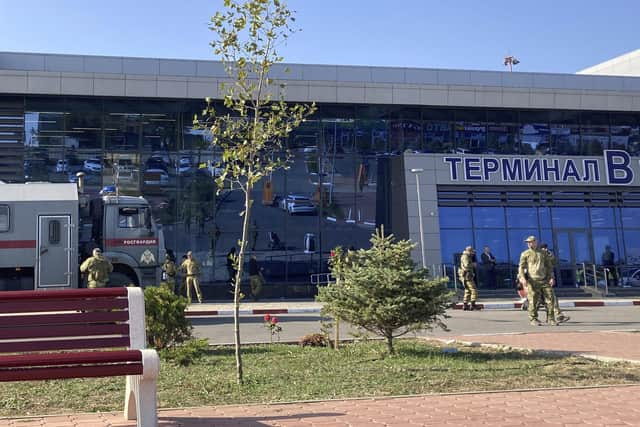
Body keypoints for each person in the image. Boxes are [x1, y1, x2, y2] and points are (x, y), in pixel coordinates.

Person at [518, 236, 557, 326]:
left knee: (550, 299)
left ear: (535, 242)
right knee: (533, 300)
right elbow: (521, 267)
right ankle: (533, 319)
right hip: (532, 281)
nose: (529, 244)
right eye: (528, 242)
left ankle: (551, 318)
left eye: (531, 242)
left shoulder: (543, 253)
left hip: (544, 280)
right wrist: (522, 278)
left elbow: (549, 266)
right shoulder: (525, 254)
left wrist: (551, 277)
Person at [539, 243, 569, 324]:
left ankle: (558, 315)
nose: (545, 249)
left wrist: (550, 255)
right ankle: (536, 317)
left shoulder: (548, 256)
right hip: (537, 282)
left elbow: (552, 264)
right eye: (543, 248)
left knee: (552, 298)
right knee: (541, 301)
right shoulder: (537, 256)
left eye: (546, 248)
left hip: (546, 281)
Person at [458, 246, 480, 311]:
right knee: (474, 289)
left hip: (467, 275)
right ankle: (472, 305)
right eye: (472, 252)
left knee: (467, 290)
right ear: (469, 251)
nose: (473, 253)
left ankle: (465, 305)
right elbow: (466, 265)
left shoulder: (467, 256)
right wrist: (473, 264)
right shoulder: (465, 256)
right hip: (467, 275)